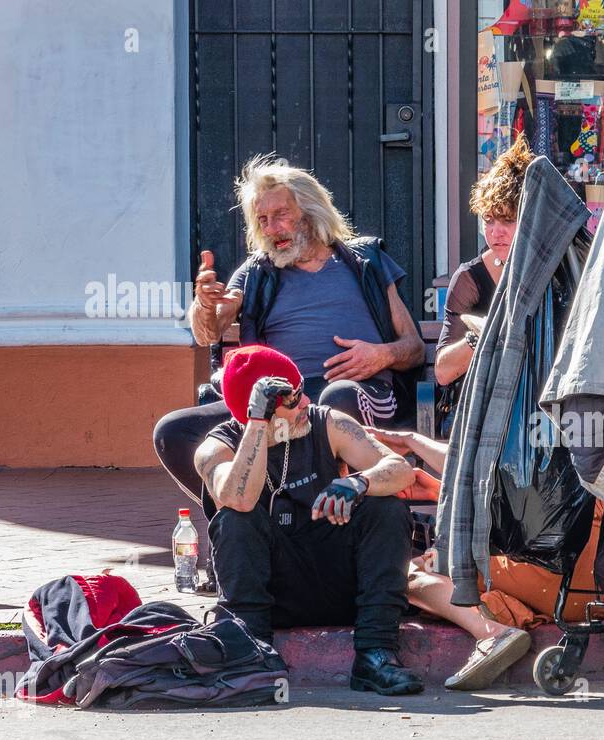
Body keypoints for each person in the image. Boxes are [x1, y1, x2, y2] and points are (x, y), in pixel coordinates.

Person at [154, 153, 424, 506]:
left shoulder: (365, 262)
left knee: (335, 401)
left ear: (311, 213)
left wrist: (381, 355)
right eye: (262, 219)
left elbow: (415, 347)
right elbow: (211, 329)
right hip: (279, 401)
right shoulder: (256, 272)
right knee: (174, 431)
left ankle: (328, 526)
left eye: (280, 215)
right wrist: (204, 304)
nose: (270, 228)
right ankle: (246, 523)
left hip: (358, 391)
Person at [194, 344, 425, 696]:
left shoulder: (327, 422)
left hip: (336, 581)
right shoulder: (217, 447)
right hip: (272, 594)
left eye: (302, 390)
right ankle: (252, 657)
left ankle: (376, 655)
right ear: (259, 411)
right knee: (234, 519)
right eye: (292, 398)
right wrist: (257, 423)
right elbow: (236, 498)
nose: (305, 403)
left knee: (387, 507)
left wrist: (358, 482)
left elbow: (400, 470)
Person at [368, 426, 604, 691]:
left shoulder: (527, 404)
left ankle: (490, 633)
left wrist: (411, 440)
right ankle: (497, 615)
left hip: (554, 563)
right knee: (451, 569)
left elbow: (481, 470)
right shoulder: (588, 417)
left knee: (405, 572)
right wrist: (443, 492)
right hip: (600, 588)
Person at [433, 136, 534, 420]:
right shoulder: (469, 278)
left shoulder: (557, 270)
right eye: (489, 220)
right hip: (482, 407)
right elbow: (442, 371)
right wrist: (481, 336)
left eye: (508, 220)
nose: (495, 232)